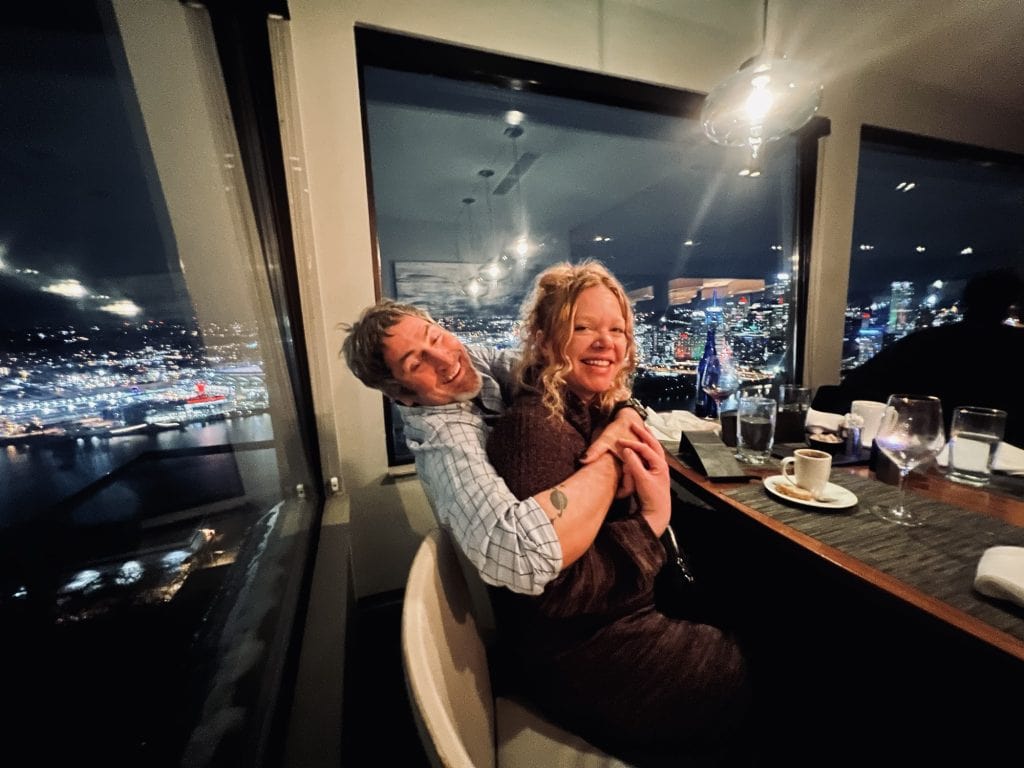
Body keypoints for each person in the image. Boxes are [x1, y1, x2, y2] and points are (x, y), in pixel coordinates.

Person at [484, 261, 751, 767]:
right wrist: (652, 517)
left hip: (623, 616)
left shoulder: (590, 407)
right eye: (583, 328)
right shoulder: (535, 430)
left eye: (617, 330)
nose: (606, 343)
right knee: (753, 668)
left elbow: (626, 405)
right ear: (543, 340)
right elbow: (553, 593)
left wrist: (629, 413)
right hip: (587, 653)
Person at [340, 298, 649, 595]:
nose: (445, 360)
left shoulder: (473, 359)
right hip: (550, 600)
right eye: (417, 363)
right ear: (403, 396)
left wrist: (627, 413)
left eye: (435, 337)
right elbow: (522, 557)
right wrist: (612, 457)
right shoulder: (443, 441)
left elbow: (571, 377)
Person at [828, 267, 1024, 446]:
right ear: (1012, 305)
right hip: (991, 460)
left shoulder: (926, 340)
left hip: (919, 447)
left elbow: (856, 383)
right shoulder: (1014, 347)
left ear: (966, 301)